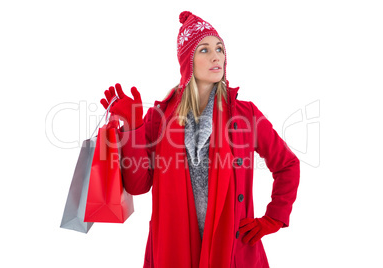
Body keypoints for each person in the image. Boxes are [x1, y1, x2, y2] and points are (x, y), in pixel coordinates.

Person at [100, 11, 300, 268]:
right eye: (204, 50)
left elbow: (287, 165)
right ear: (188, 61)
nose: (216, 55)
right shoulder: (160, 117)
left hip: (231, 252)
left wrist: (274, 217)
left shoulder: (245, 114)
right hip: (175, 250)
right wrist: (133, 125)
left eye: (219, 48)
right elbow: (138, 186)